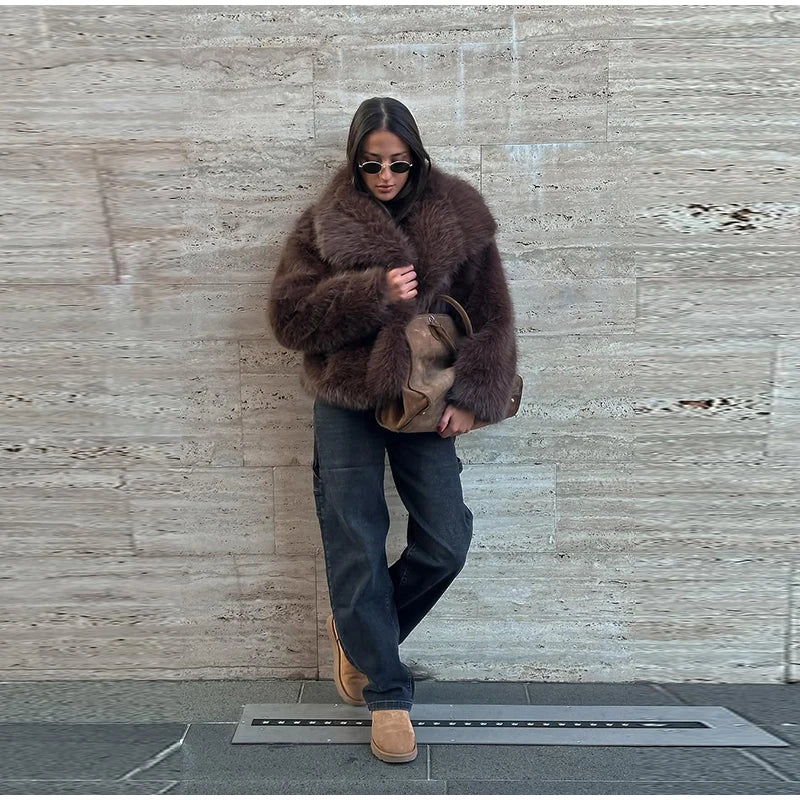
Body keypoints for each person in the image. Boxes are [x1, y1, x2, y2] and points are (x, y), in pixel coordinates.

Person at [268, 97, 517, 763]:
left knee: (446, 543)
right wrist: (370, 293)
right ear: (355, 161)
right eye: (371, 163)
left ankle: (359, 636)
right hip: (346, 397)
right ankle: (388, 693)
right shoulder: (321, 225)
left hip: (427, 401)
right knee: (355, 541)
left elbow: (493, 314)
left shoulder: (460, 216)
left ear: (417, 158)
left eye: (398, 163)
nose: (384, 176)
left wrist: (475, 398)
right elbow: (289, 321)